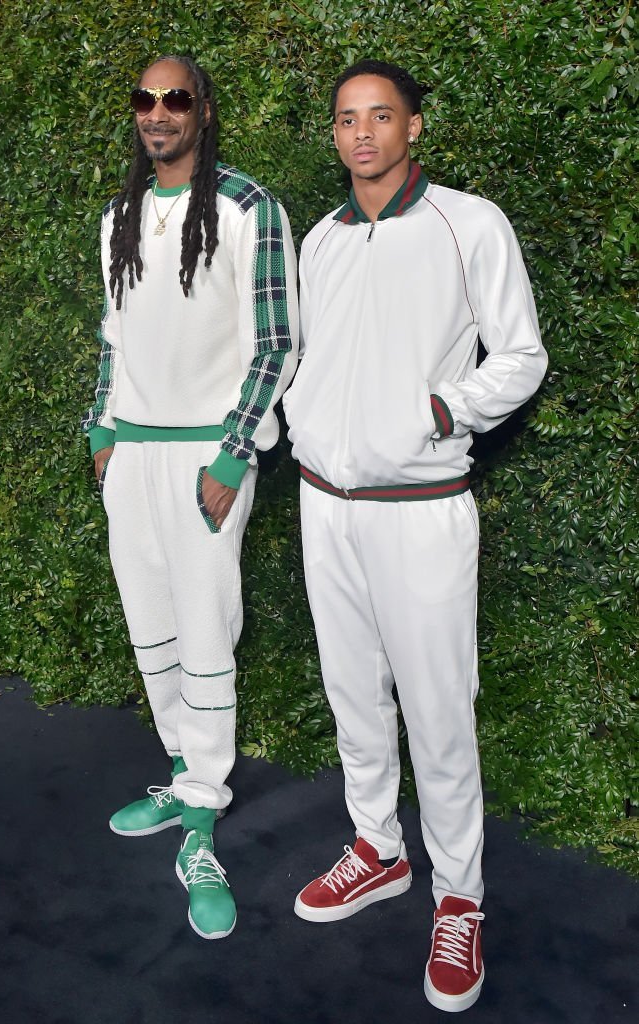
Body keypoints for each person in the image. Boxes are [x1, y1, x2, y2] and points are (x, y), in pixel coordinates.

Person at [283, 59, 547, 1011]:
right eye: (347, 118)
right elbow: (309, 356)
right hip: (324, 503)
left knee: (439, 714)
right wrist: (300, 423)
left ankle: (459, 897)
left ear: (413, 129)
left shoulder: (467, 223)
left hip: (421, 510)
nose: (362, 134)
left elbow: (521, 353)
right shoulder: (319, 239)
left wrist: (444, 410)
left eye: (380, 117)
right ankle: (377, 850)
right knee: (354, 696)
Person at [81, 54, 298, 940]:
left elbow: (278, 341)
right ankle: (180, 776)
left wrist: (236, 450)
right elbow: (114, 334)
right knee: (153, 619)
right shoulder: (118, 216)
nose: (159, 112)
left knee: (208, 627)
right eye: (146, 99)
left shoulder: (250, 208)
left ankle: (203, 816)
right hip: (132, 454)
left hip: (207, 458)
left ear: (204, 111)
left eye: (176, 98)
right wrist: (101, 429)